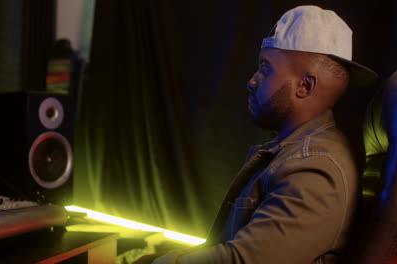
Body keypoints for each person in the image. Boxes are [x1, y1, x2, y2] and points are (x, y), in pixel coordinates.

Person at [136, 5, 377, 264]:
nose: (251, 81)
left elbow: (243, 261)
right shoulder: (293, 151)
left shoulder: (315, 167)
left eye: (265, 67)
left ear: (305, 85)